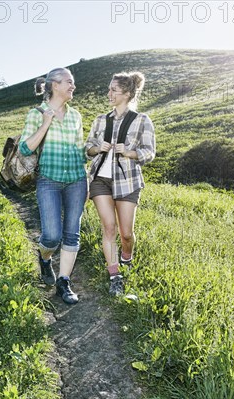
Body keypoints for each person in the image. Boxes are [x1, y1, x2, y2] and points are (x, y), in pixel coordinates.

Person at [19, 67, 88, 305]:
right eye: (69, 82)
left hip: (77, 181)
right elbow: (25, 148)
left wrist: (93, 149)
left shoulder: (76, 115)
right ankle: (45, 258)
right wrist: (45, 123)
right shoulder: (37, 113)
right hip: (49, 180)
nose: (73, 86)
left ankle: (64, 282)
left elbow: (80, 150)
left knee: (72, 233)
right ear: (55, 85)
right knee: (51, 235)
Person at [85, 71, 156, 296]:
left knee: (126, 233)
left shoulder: (142, 120)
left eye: (113, 90)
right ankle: (115, 276)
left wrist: (129, 152)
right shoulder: (100, 120)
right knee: (109, 228)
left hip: (128, 181)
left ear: (126, 93)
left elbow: (149, 153)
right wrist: (98, 148)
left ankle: (127, 258)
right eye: (109, 89)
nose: (109, 93)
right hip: (100, 181)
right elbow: (87, 149)